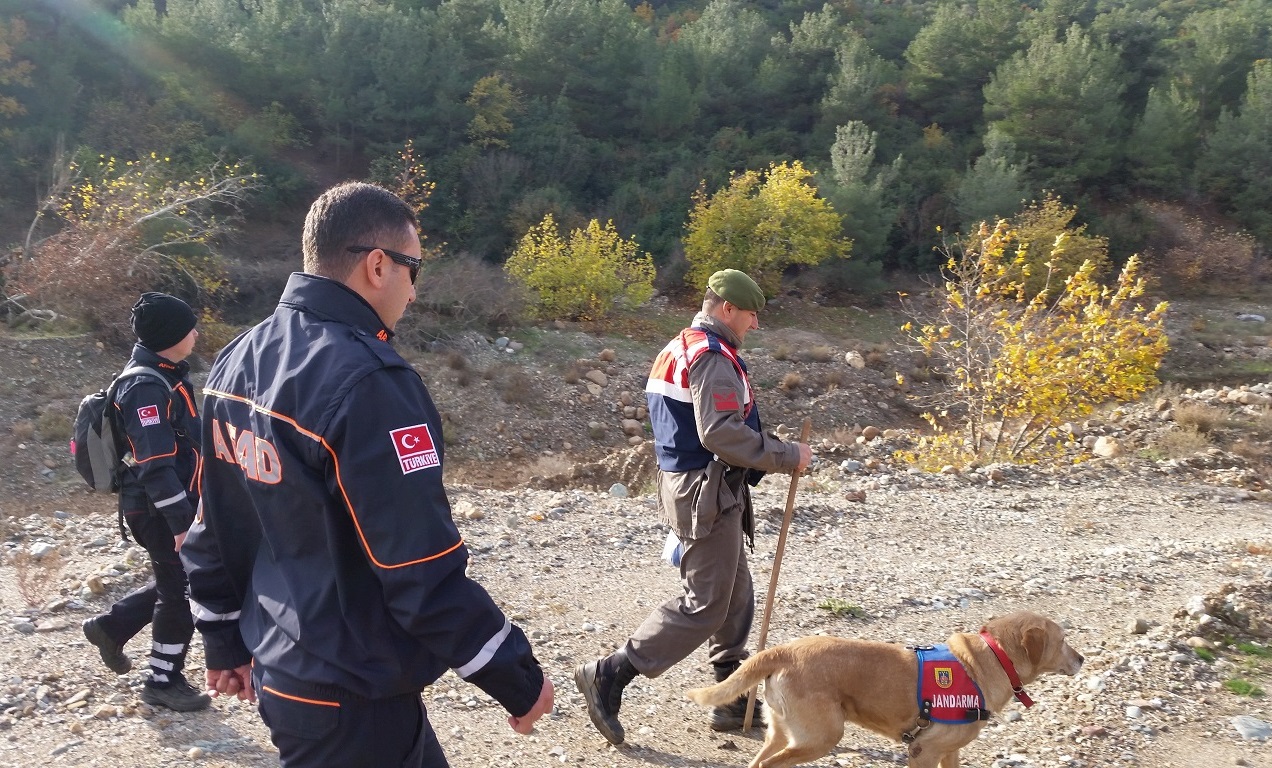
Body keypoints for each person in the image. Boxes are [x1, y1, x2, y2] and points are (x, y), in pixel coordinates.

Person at [180, 181, 553, 767]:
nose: (414, 289)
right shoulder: (370, 382)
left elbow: (213, 523)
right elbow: (417, 565)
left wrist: (223, 637)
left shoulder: (240, 356)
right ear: (378, 265)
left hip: (284, 665)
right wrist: (515, 677)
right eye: (415, 268)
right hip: (351, 691)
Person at [574, 268, 811, 745]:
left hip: (697, 485)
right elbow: (720, 433)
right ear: (727, 309)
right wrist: (787, 456)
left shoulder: (681, 346)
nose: (754, 324)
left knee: (735, 591)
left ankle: (730, 696)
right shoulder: (712, 357)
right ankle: (610, 674)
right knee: (705, 604)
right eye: (750, 314)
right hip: (705, 489)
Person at [82, 292, 210, 712]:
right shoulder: (145, 386)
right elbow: (155, 465)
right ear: (169, 336)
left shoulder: (165, 374)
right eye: (188, 326)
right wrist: (180, 524)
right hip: (158, 507)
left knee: (179, 579)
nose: (196, 332)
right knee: (182, 590)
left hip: (167, 504)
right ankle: (162, 680)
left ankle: (112, 626)